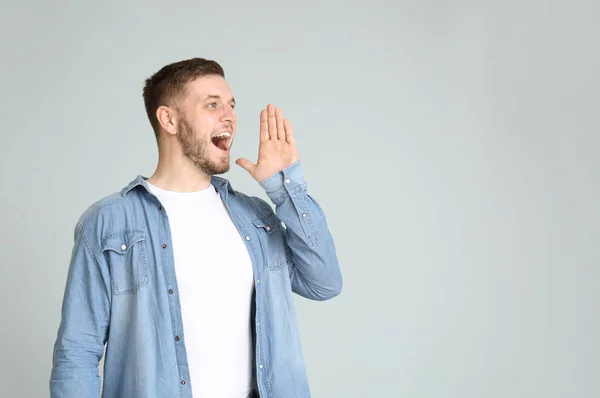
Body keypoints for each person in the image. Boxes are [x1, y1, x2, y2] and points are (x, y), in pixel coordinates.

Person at [49, 57, 343, 398]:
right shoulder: (109, 223)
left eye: (232, 105)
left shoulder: (255, 217)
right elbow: (77, 353)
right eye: (212, 104)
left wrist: (284, 188)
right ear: (169, 119)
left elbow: (324, 282)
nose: (230, 116)